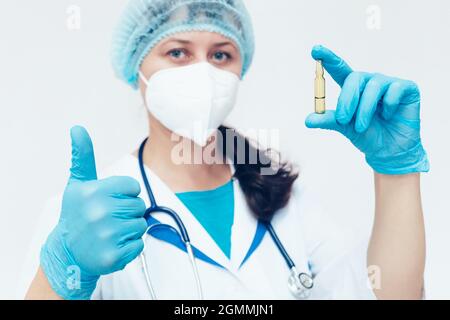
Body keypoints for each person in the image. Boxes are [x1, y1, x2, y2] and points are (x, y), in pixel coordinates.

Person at [26, 0, 429, 300]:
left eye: (221, 54)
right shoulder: (91, 214)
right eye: (178, 52)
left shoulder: (282, 195)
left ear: (241, 68)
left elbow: (387, 295)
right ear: (138, 67)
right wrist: (63, 270)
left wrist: (395, 170)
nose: (202, 71)